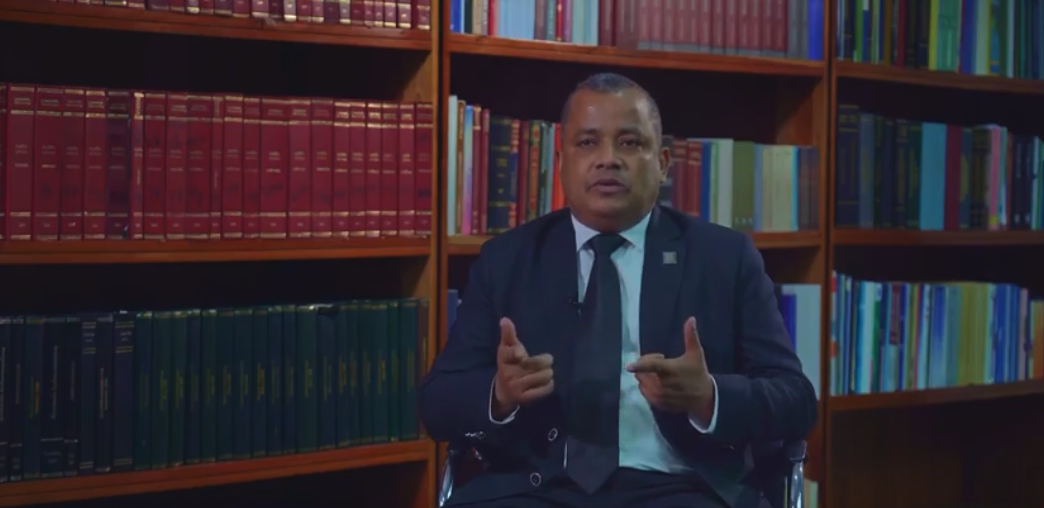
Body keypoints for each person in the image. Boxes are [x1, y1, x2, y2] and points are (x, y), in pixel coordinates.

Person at [419, 72, 817, 508]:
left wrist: (709, 396)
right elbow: (437, 403)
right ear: (561, 161)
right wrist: (499, 393)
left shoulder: (724, 258)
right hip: (535, 487)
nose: (607, 159)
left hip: (680, 487)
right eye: (587, 143)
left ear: (662, 163)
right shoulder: (506, 259)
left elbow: (795, 400)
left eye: (629, 142)